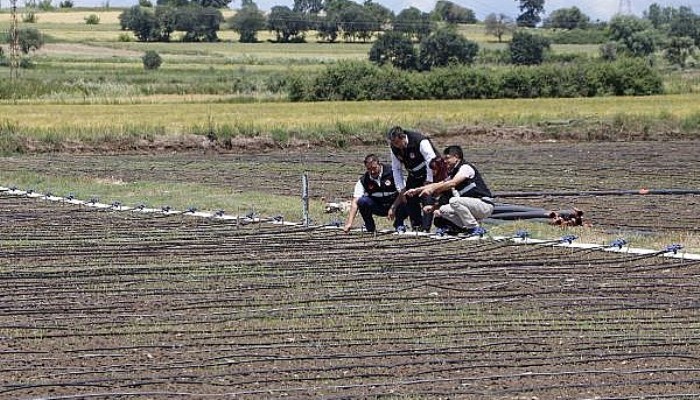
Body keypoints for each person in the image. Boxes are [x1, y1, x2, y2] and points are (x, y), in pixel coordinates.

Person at [406, 145, 494, 235]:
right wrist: (417, 190)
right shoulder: (454, 173)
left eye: (447, 158)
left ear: (456, 157)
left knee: (454, 201)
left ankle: (475, 228)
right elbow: (439, 184)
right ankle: (466, 228)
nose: (445, 161)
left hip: (484, 204)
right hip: (472, 206)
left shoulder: (465, 168)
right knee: (443, 210)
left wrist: (432, 189)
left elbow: (453, 183)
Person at [386, 126, 438, 232]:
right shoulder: (394, 148)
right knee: (409, 197)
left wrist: (429, 180)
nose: (396, 146)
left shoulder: (420, 141)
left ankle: (425, 228)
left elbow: (431, 160)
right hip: (413, 174)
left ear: (403, 137)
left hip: (429, 172)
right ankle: (416, 226)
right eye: (393, 143)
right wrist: (401, 189)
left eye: (397, 142)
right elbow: (396, 169)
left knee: (427, 197)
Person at [343, 154, 408, 233]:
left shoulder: (393, 173)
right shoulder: (364, 180)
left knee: (407, 197)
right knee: (362, 201)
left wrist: (393, 207)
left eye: (374, 168)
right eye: (369, 169)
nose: (372, 171)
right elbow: (355, 201)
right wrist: (349, 223)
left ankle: (399, 224)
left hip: (395, 205)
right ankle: (370, 226)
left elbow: (402, 191)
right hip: (378, 207)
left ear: (379, 164)